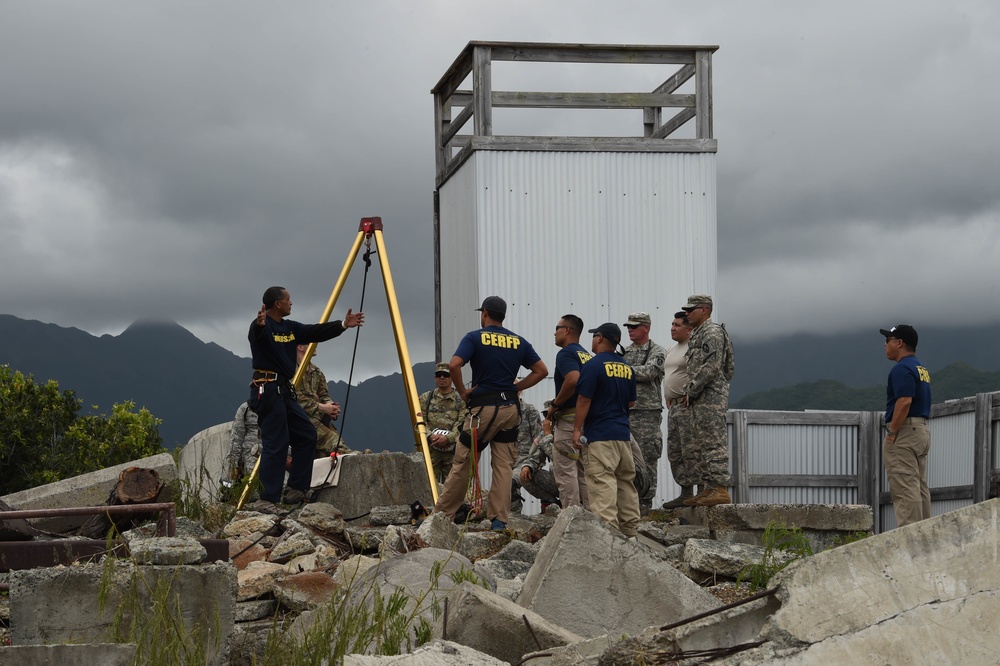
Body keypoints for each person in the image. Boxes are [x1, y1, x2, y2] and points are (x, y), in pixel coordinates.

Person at [435, 296, 548, 531]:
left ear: (485, 313)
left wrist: (464, 392)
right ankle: (499, 521)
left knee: (463, 459)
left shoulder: (475, 337)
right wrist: (517, 387)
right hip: (509, 411)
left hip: (482, 409)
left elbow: (454, 365)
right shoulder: (519, 342)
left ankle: (442, 516)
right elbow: (541, 370)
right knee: (503, 465)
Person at [248, 286, 364, 512]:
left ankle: (296, 490)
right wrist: (259, 323)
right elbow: (256, 334)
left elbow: (314, 331)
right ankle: (267, 499)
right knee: (276, 443)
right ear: (277, 304)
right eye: (288, 299)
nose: (291, 303)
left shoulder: (290, 328)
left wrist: (342, 325)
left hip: (284, 389)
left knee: (306, 434)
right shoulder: (264, 326)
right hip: (268, 388)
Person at [573, 322, 641, 537]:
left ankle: (608, 537)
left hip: (600, 436)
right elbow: (631, 403)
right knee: (625, 484)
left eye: (594, 336)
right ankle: (631, 532)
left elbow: (584, 399)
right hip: (623, 436)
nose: (592, 340)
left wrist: (577, 430)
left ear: (600, 338)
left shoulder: (592, 366)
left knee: (602, 484)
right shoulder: (626, 367)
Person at [680, 295, 735, 507]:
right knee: (700, 443)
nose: (687, 313)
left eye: (690, 309)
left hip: (710, 396)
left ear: (703, 310)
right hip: (700, 397)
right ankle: (709, 487)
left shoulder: (712, 332)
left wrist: (691, 390)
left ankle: (720, 488)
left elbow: (712, 366)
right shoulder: (698, 334)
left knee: (713, 441)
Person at [880, 324, 932, 527]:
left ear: (899, 343)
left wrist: (892, 432)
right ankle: (926, 534)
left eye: (887, 341)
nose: (884, 345)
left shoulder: (901, 368)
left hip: (905, 432)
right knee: (919, 487)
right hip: (921, 430)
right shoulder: (921, 368)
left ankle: (910, 540)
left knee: (904, 488)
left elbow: (904, 401)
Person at [621, 312, 667, 511]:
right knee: (625, 457)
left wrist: (624, 370)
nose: (630, 330)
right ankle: (628, 501)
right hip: (626, 411)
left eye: (634, 326)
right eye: (628, 327)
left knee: (647, 456)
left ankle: (646, 502)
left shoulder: (657, 351)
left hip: (647, 413)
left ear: (646, 327)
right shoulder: (625, 352)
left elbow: (650, 372)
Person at [547, 314, 593, 509]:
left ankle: (571, 519)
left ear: (567, 330)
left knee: (565, 470)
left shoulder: (566, 353)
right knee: (584, 472)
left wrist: (555, 404)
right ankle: (591, 519)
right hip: (586, 419)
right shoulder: (587, 356)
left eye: (557, 328)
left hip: (568, 420)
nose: (554, 333)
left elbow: (573, 379)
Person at [662, 312, 697, 508]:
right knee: (675, 451)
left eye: (677, 325)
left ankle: (700, 491)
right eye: (672, 324)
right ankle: (685, 492)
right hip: (673, 407)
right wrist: (668, 396)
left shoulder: (693, 348)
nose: (672, 328)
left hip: (687, 407)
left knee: (691, 449)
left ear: (689, 329)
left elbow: (697, 373)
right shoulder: (671, 350)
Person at [296, 345, 352, 457]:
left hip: (318, 418)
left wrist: (330, 407)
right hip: (298, 417)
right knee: (333, 442)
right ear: (301, 347)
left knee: (334, 447)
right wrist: (321, 407)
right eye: (311, 343)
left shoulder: (317, 372)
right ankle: (358, 459)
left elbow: (324, 395)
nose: (315, 345)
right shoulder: (290, 369)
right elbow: (293, 396)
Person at [417, 362, 467, 483]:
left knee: (452, 487)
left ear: (451, 378)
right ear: (435, 378)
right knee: (427, 485)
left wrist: (448, 438)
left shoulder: (461, 400)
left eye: (445, 375)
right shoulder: (425, 398)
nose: (442, 378)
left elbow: (463, 423)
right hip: (430, 451)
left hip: (453, 453)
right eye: (439, 375)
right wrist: (430, 436)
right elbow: (419, 421)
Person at [517, 401, 561, 511]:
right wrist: (527, 466)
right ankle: (552, 503)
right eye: (546, 415)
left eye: (550, 415)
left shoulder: (568, 431)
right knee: (525, 476)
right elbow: (535, 454)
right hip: (558, 480)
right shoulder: (546, 433)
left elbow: (559, 458)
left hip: (573, 482)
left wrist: (547, 436)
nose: (548, 419)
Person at [511, 392, 543, 513]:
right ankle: (507, 519)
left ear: (519, 392)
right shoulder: (501, 413)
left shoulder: (530, 411)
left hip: (524, 459)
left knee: (511, 484)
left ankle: (514, 517)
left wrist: (531, 463)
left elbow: (539, 441)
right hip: (506, 458)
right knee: (501, 488)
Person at [227, 401, 261, 481]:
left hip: (277, 461)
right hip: (251, 463)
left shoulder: (281, 407)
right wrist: (234, 464)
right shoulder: (246, 409)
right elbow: (236, 438)